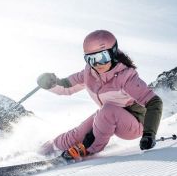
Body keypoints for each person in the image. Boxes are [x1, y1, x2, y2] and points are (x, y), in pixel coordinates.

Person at [37, 30, 163, 161]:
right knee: (79, 132)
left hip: (135, 124)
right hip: (107, 115)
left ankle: (88, 148)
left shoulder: (126, 77)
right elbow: (67, 86)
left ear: (113, 52)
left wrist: (149, 134)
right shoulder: (89, 73)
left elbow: (154, 102)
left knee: (107, 111)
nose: (97, 64)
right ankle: (49, 147)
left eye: (102, 57)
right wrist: (51, 83)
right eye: (91, 59)